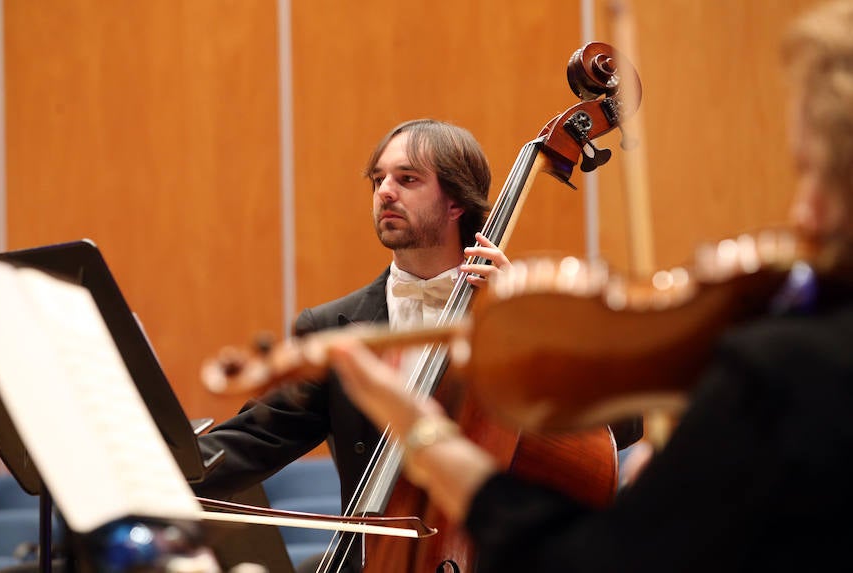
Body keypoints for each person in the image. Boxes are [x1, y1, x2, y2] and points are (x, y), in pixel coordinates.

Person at [323, 2, 853, 571]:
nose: (803, 213)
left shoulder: (790, 369)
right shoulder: (334, 320)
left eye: (810, 172)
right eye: (378, 179)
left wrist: (435, 429)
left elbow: (602, 504)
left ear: (455, 202)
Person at [193, 118, 513, 572]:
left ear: (457, 200)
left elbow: (620, 427)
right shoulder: (332, 329)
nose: (384, 191)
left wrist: (529, 331)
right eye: (378, 179)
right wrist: (142, 471)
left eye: (407, 179)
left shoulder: (511, 310)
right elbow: (254, 438)